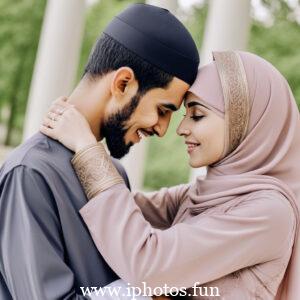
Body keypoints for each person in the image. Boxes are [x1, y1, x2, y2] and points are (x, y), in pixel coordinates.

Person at [41, 51, 300, 299]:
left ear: (244, 126)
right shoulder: (206, 193)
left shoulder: (268, 212)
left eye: (197, 115)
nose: (181, 128)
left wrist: (87, 147)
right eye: (185, 114)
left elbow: (149, 265)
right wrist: (57, 161)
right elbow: (121, 211)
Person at [0, 4, 199, 299]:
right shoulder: (30, 173)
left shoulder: (114, 176)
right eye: (162, 110)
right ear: (123, 83)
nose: (161, 129)